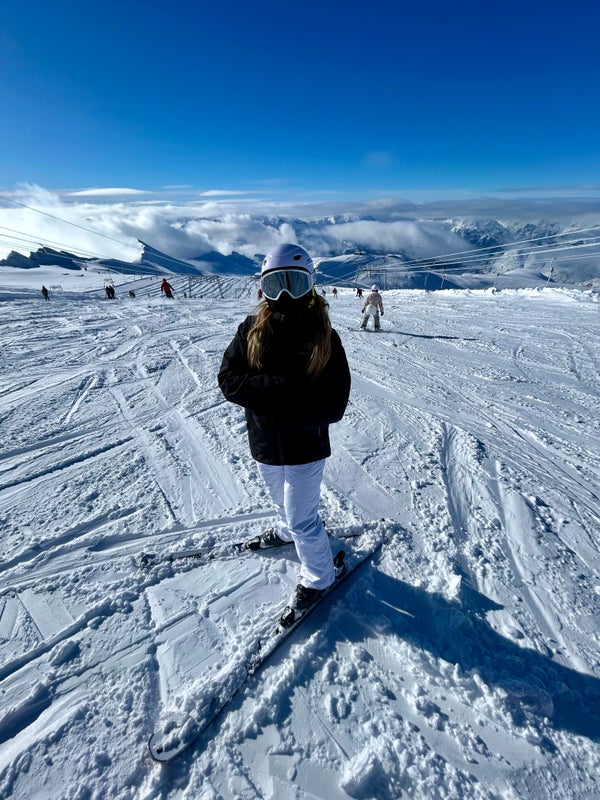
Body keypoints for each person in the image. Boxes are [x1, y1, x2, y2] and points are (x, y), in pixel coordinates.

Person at [218, 243, 351, 615]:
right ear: (264, 289)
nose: (286, 296)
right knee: (282, 503)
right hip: (264, 443)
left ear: (311, 284)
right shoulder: (250, 329)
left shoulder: (324, 337)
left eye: (295, 283)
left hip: (305, 447)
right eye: (277, 285)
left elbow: (334, 403)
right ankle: (284, 529)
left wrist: (272, 403)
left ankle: (319, 578)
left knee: (303, 518)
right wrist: (284, 391)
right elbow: (229, 379)